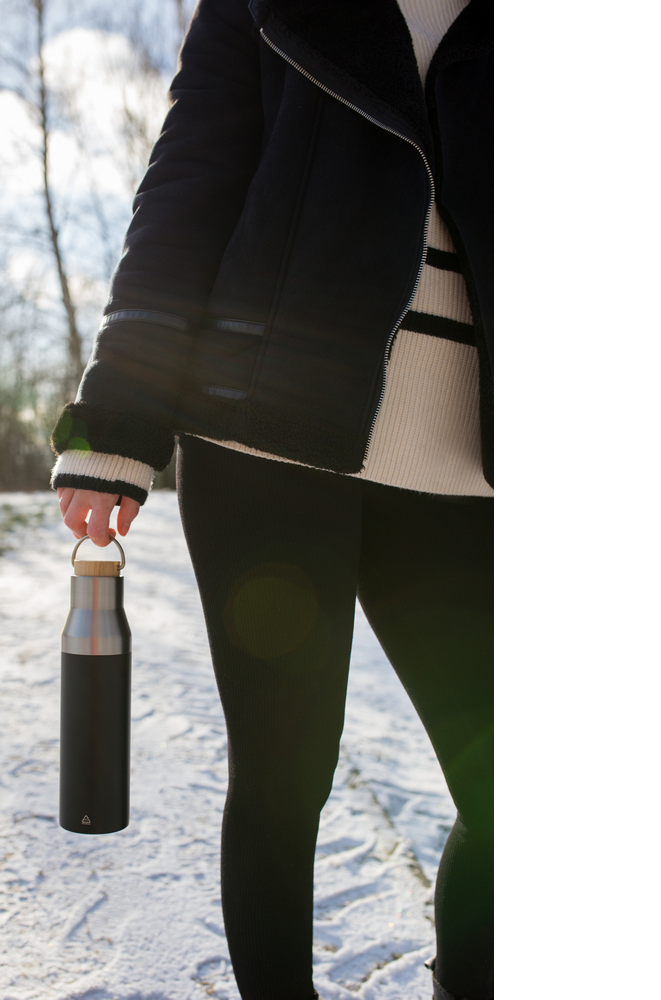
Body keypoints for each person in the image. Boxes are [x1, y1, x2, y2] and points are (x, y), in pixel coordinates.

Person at [52, 1, 493, 997]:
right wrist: (116, 420)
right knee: (285, 780)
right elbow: (190, 187)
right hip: (266, 433)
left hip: (468, 460)